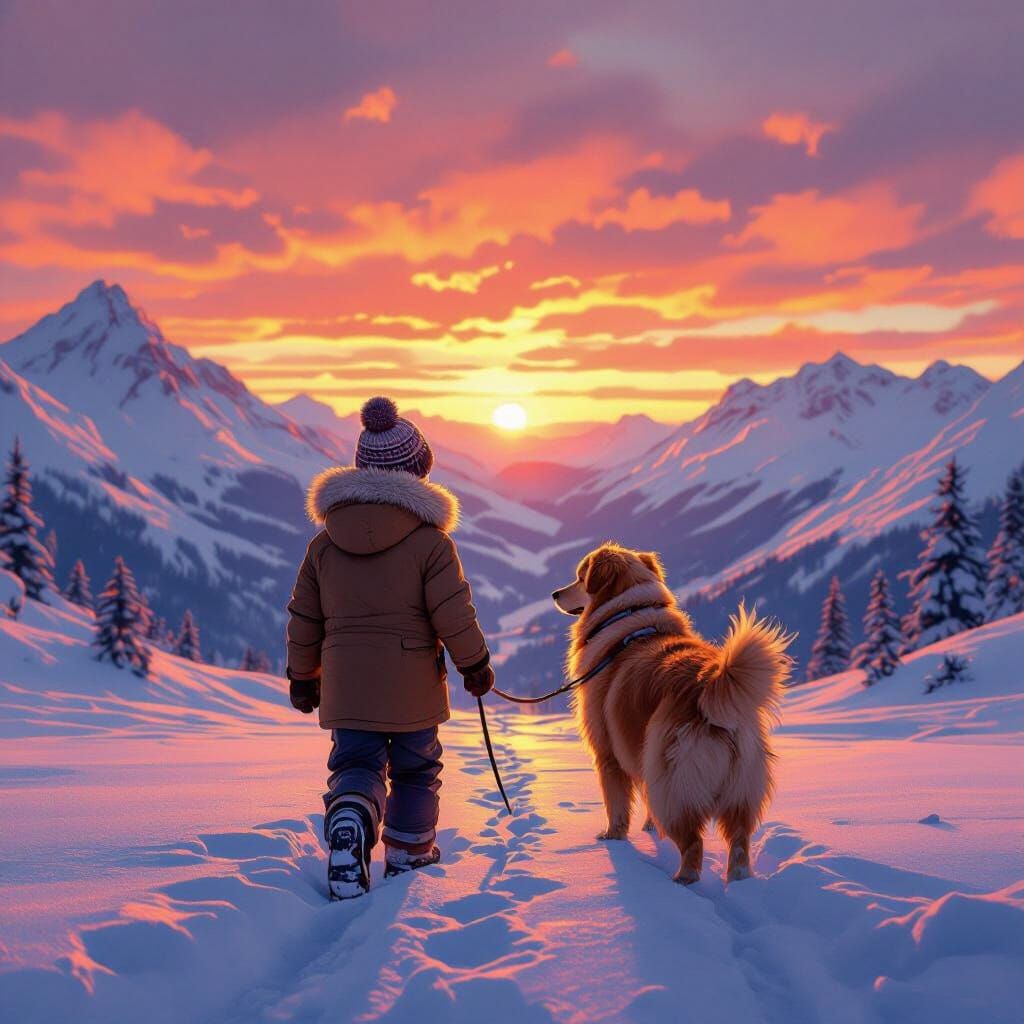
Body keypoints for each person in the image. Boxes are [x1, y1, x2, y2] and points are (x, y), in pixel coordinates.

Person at [286, 396, 494, 899]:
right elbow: (453, 613)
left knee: (355, 765)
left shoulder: (324, 544)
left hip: (347, 685)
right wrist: (474, 663)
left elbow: (305, 616)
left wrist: (302, 676)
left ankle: (351, 817)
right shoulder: (431, 543)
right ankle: (409, 853)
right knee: (416, 771)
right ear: (417, 472)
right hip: (411, 688)